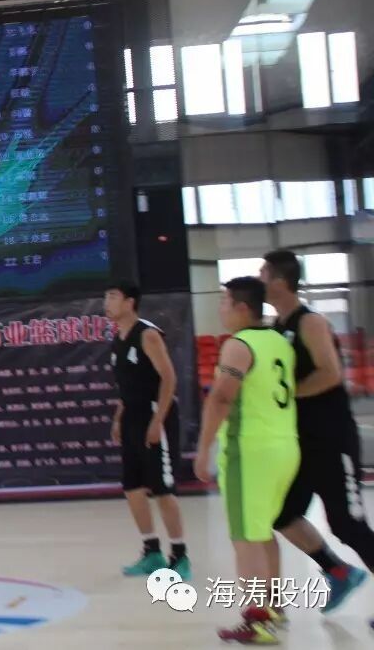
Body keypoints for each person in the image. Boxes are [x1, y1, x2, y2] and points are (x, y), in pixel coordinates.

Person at [261, 250, 372, 612]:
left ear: (279, 281)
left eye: (263, 274)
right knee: (280, 514)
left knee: (347, 524)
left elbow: (330, 373)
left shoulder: (310, 322)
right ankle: (338, 572)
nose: (260, 280)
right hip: (299, 444)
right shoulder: (274, 329)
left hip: (332, 440)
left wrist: (288, 397)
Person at [195, 277, 298, 646]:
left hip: (250, 451)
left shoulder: (239, 345)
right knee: (261, 532)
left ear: (242, 308)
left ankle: (257, 620)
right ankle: (274, 608)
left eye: (224, 302)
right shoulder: (278, 341)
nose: (220, 309)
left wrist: (203, 448)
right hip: (284, 446)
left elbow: (222, 398)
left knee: (245, 539)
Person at [103, 282, 190, 580]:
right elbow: (127, 388)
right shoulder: (118, 340)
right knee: (132, 487)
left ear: (130, 302)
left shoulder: (148, 335)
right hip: (132, 418)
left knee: (162, 489)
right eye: (106, 297)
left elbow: (169, 378)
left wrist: (158, 420)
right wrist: (119, 418)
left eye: (113, 296)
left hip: (155, 415)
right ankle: (152, 551)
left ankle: (180, 555)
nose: (107, 302)